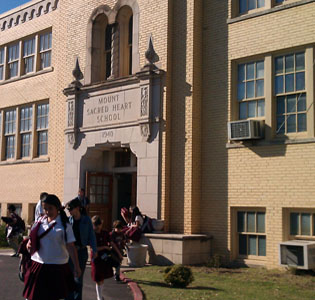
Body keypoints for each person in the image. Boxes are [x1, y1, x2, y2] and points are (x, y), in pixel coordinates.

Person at [23, 194, 81, 300]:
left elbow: (71, 247)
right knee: (32, 297)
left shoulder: (64, 225)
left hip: (57, 267)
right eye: (45, 208)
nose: (47, 211)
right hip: (38, 264)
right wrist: (29, 242)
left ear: (57, 208)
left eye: (50, 208)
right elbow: (32, 236)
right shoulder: (39, 221)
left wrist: (77, 266)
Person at [65, 198, 97, 300]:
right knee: (69, 278)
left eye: (71, 209)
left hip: (82, 252)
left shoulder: (86, 220)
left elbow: (91, 236)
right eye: (68, 209)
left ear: (78, 208)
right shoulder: (69, 221)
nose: (69, 211)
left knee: (78, 278)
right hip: (70, 252)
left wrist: (94, 249)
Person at [91, 216, 123, 300]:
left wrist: (119, 254)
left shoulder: (105, 233)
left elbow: (112, 243)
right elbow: (93, 248)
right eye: (95, 225)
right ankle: (99, 297)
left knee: (102, 278)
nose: (98, 227)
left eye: (99, 224)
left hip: (105, 258)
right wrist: (105, 247)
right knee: (98, 278)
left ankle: (100, 296)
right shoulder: (92, 234)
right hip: (96, 257)